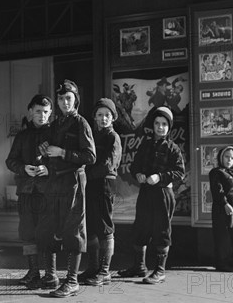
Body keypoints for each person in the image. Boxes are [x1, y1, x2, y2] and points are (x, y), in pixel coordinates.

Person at [37, 80, 96, 298]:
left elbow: (90, 156)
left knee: (73, 230)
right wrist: (44, 150)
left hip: (73, 181)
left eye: (68, 98)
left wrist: (63, 153)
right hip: (54, 181)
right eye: (60, 99)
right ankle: (51, 276)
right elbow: (47, 151)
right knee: (49, 226)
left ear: (75, 100)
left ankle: (72, 281)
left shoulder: (81, 124)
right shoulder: (54, 125)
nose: (64, 102)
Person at [118, 106, 185, 284]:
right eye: (157, 123)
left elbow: (179, 173)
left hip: (164, 193)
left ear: (169, 127)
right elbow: (134, 166)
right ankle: (139, 266)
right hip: (146, 192)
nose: (160, 127)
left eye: (164, 124)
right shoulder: (145, 144)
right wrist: (138, 174)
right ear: (153, 125)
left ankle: (160, 270)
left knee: (162, 229)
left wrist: (160, 177)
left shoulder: (173, 148)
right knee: (141, 227)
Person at [5, 94, 53, 289]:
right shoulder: (22, 136)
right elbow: (10, 161)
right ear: (30, 112)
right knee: (27, 232)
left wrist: (49, 168)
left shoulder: (55, 134)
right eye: (38, 111)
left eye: (46, 112)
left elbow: (64, 162)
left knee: (48, 232)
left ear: (50, 114)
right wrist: (23, 168)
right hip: (26, 191)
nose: (42, 115)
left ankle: (50, 273)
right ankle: (33, 270)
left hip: (48, 192)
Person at [78, 98, 122, 286]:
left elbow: (108, 164)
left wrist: (87, 172)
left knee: (104, 227)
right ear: (94, 118)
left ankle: (105, 271)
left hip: (105, 184)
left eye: (107, 115)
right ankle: (93, 267)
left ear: (113, 117)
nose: (103, 119)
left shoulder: (113, 137)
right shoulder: (93, 136)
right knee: (92, 226)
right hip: (92, 185)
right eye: (100, 115)